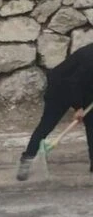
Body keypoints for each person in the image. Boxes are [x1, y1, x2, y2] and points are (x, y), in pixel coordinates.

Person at [17, 42, 93, 181]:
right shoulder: (90, 57)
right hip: (60, 88)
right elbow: (73, 81)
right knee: (46, 125)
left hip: (84, 90)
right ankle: (26, 160)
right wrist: (78, 107)